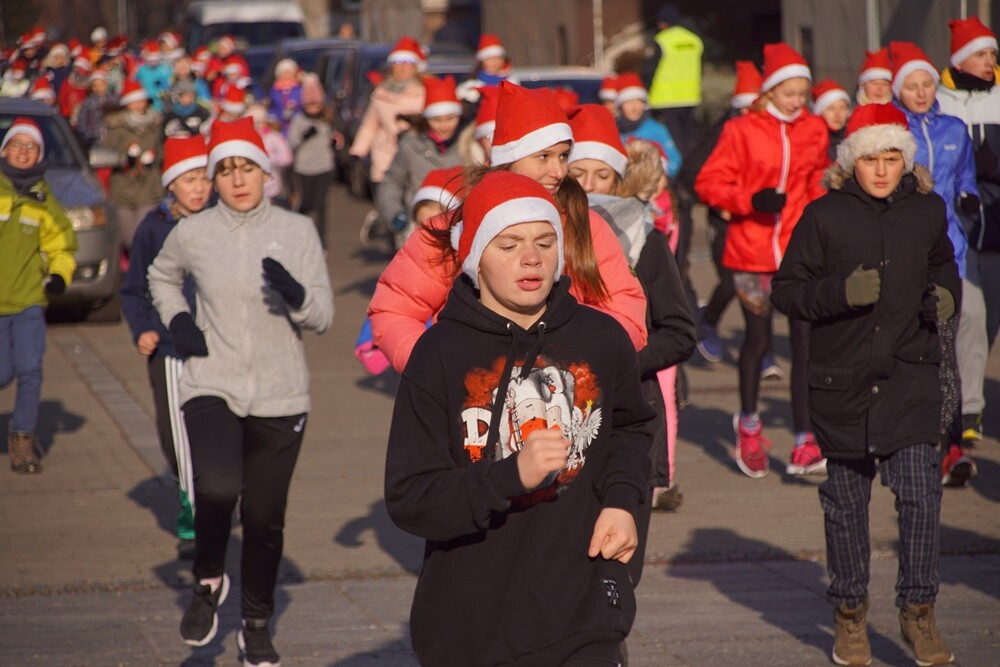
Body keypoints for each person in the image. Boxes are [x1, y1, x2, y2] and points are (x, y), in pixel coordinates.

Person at [384, 169, 655, 666]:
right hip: (474, 622)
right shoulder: (439, 354)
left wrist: (622, 502)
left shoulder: (601, 338)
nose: (531, 258)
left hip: (583, 607)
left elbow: (633, 429)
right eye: (508, 244)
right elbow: (410, 498)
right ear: (475, 259)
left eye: (544, 241)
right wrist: (510, 476)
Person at [771, 103, 958, 667]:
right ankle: (850, 615)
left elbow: (945, 265)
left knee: (922, 497)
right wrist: (838, 293)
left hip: (909, 375)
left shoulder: (927, 210)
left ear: (906, 158)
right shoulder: (824, 216)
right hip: (842, 383)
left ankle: (919, 612)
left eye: (892, 157)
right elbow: (786, 290)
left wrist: (946, 297)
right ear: (852, 161)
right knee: (846, 506)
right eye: (871, 158)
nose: (882, 169)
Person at [148, 117, 333, 665]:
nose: (236, 179)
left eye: (246, 167)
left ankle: (255, 624)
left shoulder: (297, 231)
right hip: (213, 380)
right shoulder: (193, 232)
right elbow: (160, 276)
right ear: (214, 177)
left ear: (265, 172)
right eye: (224, 170)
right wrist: (179, 319)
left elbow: (322, 316)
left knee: (264, 518)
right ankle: (208, 579)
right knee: (219, 487)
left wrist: (298, 294)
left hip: (282, 394)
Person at [368, 80, 649, 373]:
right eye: (543, 156)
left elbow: (626, 311)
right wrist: (436, 371)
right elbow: (394, 309)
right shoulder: (453, 227)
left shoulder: (585, 224)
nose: (558, 171)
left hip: (564, 403)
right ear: (509, 160)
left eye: (564, 156)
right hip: (471, 406)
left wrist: (575, 362)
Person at [694, 42, 830, 478]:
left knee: (806, 346)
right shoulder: (742, 130)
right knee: (758, 342)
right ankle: (749, 427)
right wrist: (750, 200)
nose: (796, 101)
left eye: (801, 93)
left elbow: (815, 183)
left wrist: (820, 223)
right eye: (788, 92)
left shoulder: (814, 129)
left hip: (797, 255)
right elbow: (708, 183)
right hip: (750, 253)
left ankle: (805, 439)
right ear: (769, 91)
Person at [890, 41, 981, 488]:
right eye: (912, 85)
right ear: (898, 90)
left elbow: (966, 176)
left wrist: (970, 197)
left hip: (950, 254)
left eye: (928, 84)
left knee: (946, 351)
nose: (922, 92)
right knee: (906, 348)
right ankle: (903, 440)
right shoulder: (890, 130)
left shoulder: (954, 128)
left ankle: (950, 449)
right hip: (904, 256)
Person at [119, 136, 211, 560]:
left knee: (223, 431)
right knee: (177, 439)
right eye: (190, 179)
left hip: (219, 348)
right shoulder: (154, 226)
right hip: (170, 350)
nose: (199, 188)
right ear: (172, 183)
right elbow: (134, 289)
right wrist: (143, 329)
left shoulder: (222, 221)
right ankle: (193, 519)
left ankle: (222, 500)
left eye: (205, 179)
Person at [936, 15, 999, 483]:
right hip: (960, 229)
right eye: (981, 54)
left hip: (997, 226)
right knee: (971, 315)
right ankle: (970, 411)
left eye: (993, 54)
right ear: (960, 59)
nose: (990, 61)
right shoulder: (939, 101)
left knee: (989, 318)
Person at [0, 117, 78, 474]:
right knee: (2, 374)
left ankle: (22, 442)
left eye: (30, 146)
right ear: (4, 150)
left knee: (31, 370)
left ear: (38, 156)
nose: (23, 151)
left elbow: (62, 245)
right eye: (17, 143)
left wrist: (60, 276)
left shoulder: (44, 199)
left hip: (29, 301)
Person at [682, 60, 760, 365]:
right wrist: (720, 204)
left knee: (759, 288)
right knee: (732, 282)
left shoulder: (770, 134)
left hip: (758, 221)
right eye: (744, 110)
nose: (748, 117)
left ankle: (762, 351)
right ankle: (710, 321)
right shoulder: (722, 133)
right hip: (725, 220)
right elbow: (692, 174)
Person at [375, 75, 465, 247]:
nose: (444, 126)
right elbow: (390, 183)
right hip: (417, 232)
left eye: (450, 118)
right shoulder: (410, 146)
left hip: (459, 232)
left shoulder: (469, 146)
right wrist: (394, 214)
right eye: (436, 120)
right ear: (427, 118)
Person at [348, 36, 426, 194]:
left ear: (415, 67)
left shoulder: (424, 92)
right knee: (387, 203)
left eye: (407, 63)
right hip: (386, 155)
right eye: (397, 63)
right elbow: (369, 125)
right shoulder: (381, 93)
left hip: (416, 153)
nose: (402, 68)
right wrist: (357, 151)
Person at [101, 79, 164, 253]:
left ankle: (142, 272)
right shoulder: (116, 126)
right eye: (135, 101)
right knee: (128, 238)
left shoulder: (155, 124)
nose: (140, 104)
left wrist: (154, 156)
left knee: (142, 235)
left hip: (149, 187)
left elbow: (161, 150)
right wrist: (125, 157)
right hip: (123, 189)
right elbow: (106, 154)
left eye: (142, 100)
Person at [641, 4, 704, 155]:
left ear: (662, 23)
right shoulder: (694, 40)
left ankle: (680, 172)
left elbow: (649, 70)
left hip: (666, 99)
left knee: (673, 141)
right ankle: (692, 166)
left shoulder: (661, 40)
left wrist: (645, 90)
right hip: (690, 97)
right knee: (689, 136)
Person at [287, 73, 335, 249]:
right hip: (304, 168)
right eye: (309, 105)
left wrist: (336, 142)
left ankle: (322, 243)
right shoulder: (299, 120)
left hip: (324, 166)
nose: (313, 108)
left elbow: (334, 138)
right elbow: (291, 142)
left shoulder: (327, 119)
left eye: (316, 104)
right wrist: (304, 137)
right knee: (308, 202)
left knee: (321, 204)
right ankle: (299, 222)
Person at [614, 72, 682, 180]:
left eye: (638, 101)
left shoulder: (657, 129)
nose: (634, 107)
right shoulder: (614, 131)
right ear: (621, 106)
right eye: (628, 102)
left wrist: (659, 179)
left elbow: (675, 159)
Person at [455, 33, 518, 105]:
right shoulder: (470, 84)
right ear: (482, 61)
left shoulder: (512, 81)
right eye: (490, 59)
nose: (494, 62)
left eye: (497, 58)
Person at [75, 70, 117, 149]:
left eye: (101, 85)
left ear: (106, 85)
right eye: (95, 86)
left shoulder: (114, 100)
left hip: (112, 134)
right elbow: (82, 119)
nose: (98, 88)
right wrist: (87, 134)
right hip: (94, 136)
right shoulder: (88, 102)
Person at [812, 79, 852, 162]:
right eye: (831, 109)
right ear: (820, 113)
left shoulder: (855, 139)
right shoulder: (812, 142)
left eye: (842, 108)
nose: (838, 114)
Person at [268, 58, 302, 137]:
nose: (287, 76)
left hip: (296, 122)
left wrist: (295, 106)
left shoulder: (298, 89)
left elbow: (302, 103)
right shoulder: (274, 90)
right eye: (284, 73)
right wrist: (273, 118)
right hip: (280, 124)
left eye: (289, 73)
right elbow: (272, 106)